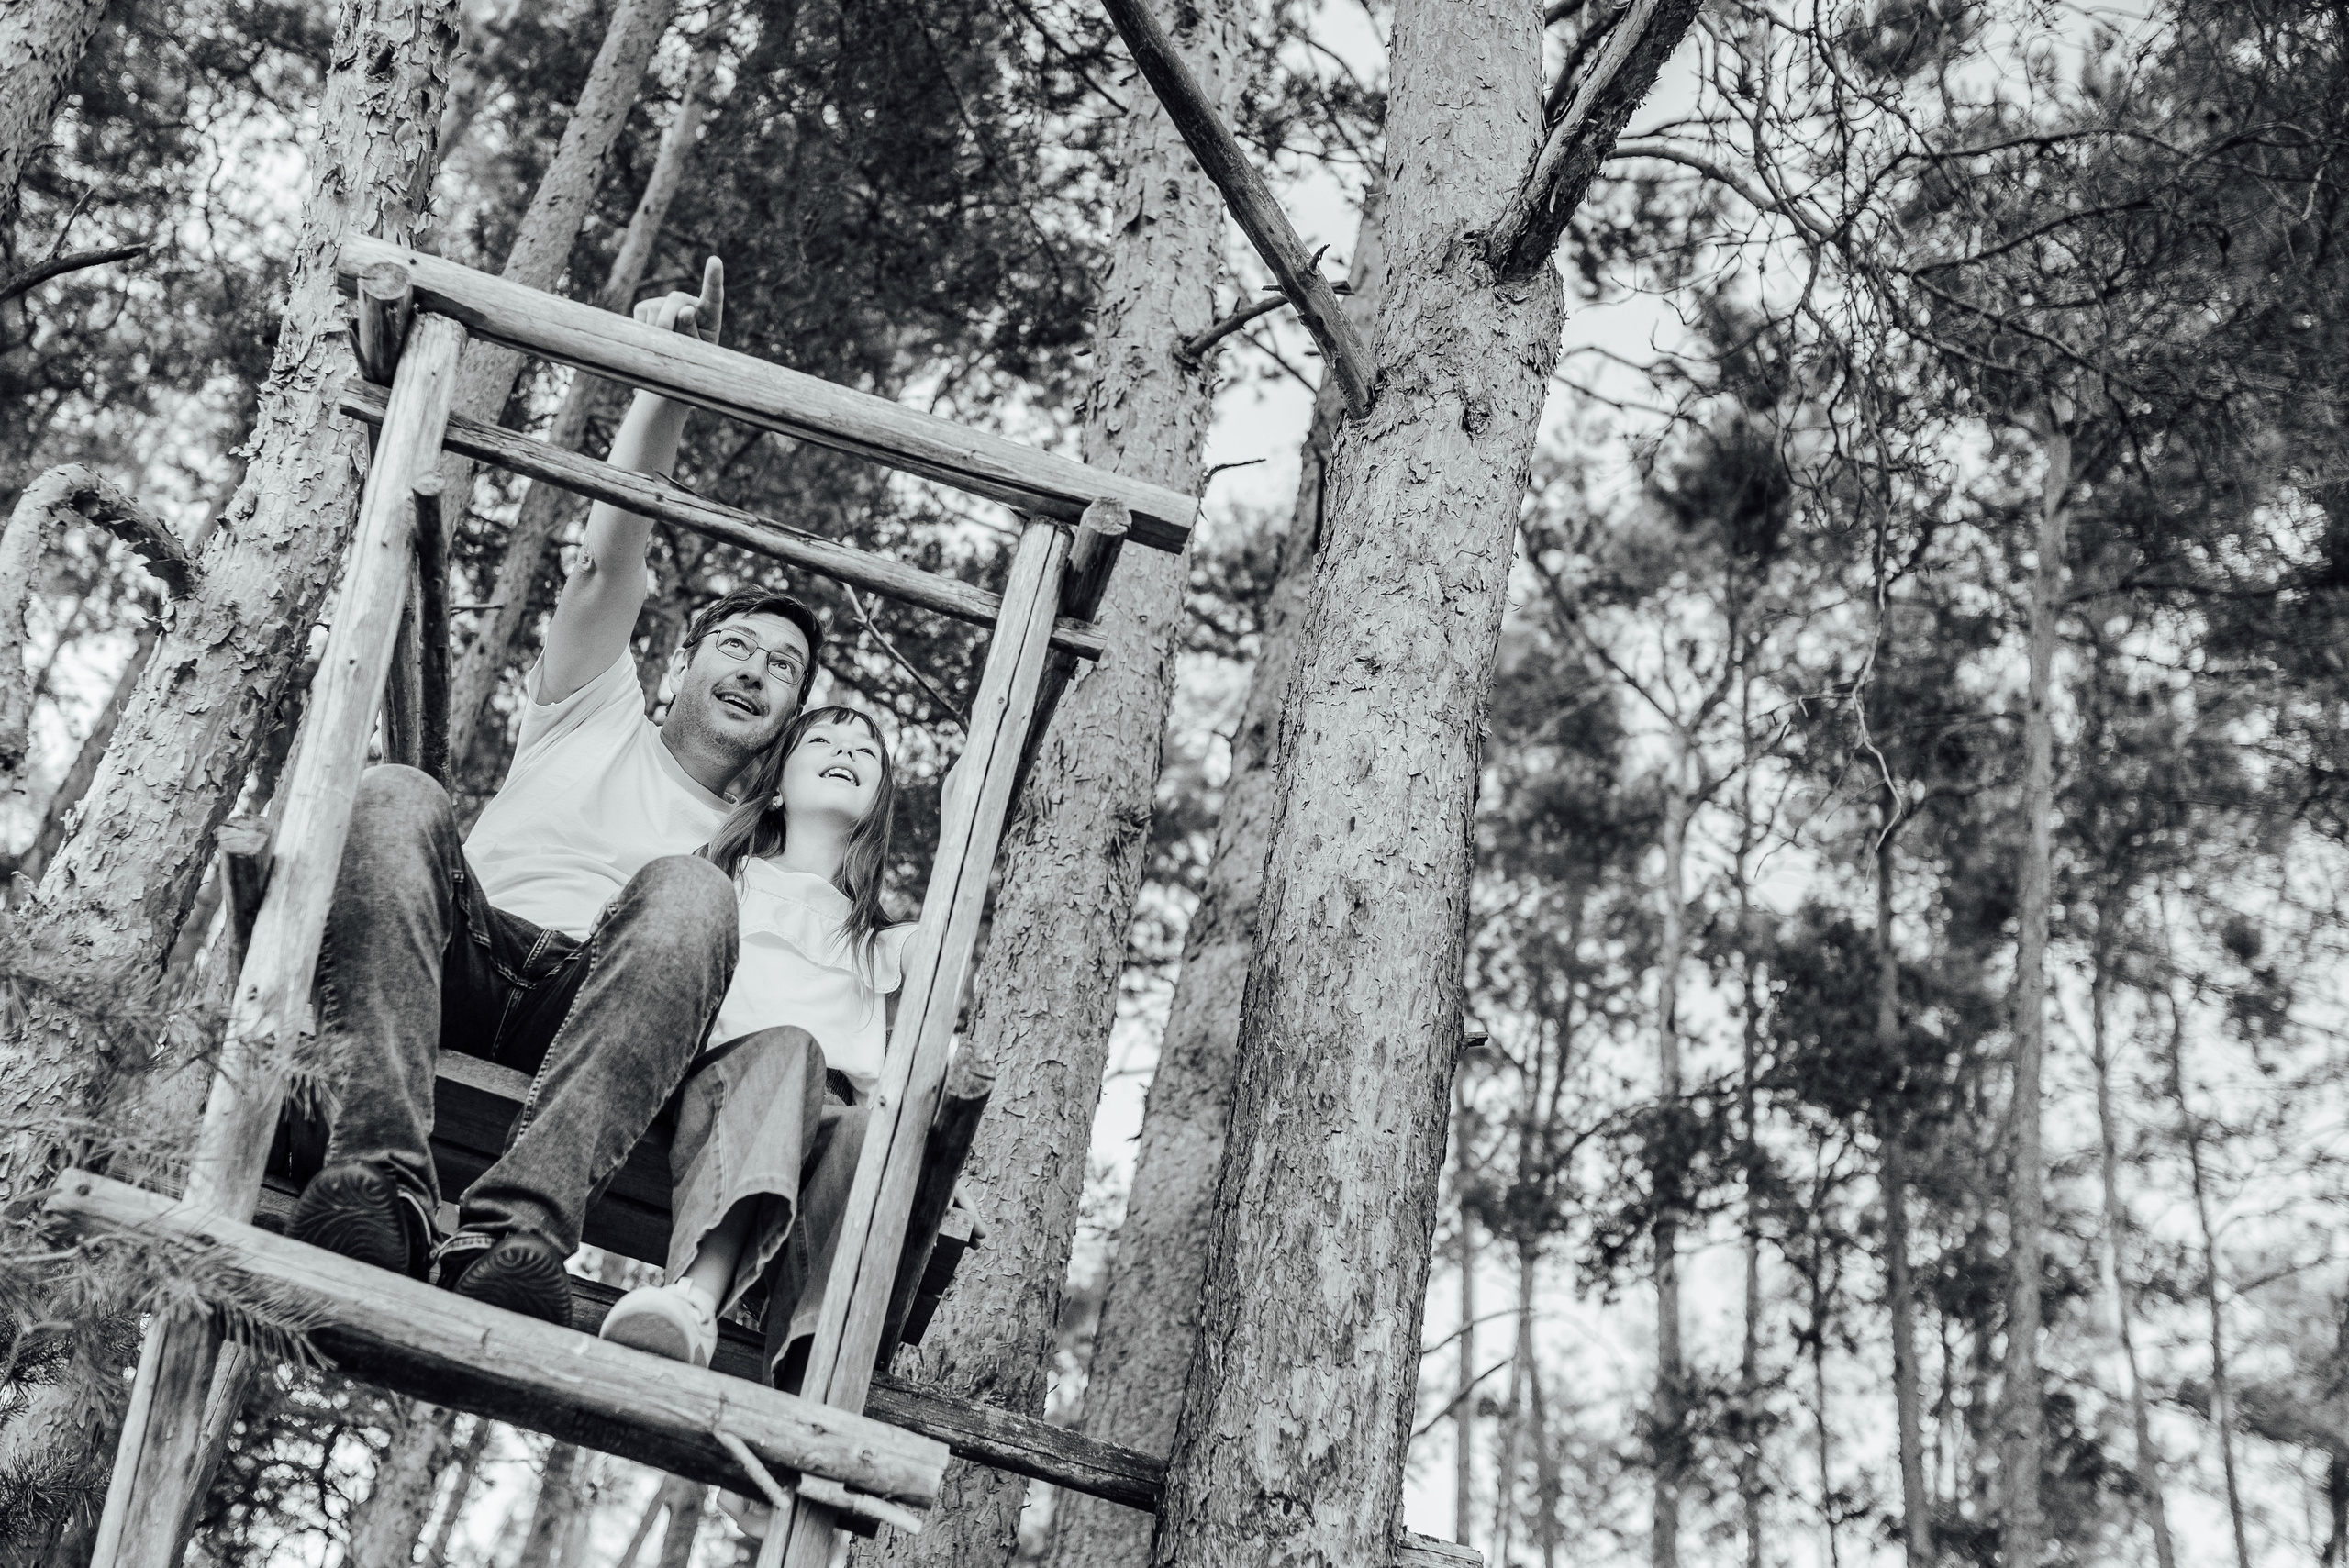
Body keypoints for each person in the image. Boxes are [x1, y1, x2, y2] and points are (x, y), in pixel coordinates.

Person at [290, 258, 826, 1328]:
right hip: (463, 952)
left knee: (688, 892)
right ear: (681, 661)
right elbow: (604, 559)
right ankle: (372, 1179)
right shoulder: (595, 703)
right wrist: (664, 387)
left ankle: (516, 1233)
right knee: (396, 791)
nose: (757, 667)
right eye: (737, 643)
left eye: (783, 668)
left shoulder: (751, 849)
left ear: (787, 720)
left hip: (600, 1009)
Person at [596, 705, 914, 1380]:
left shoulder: (878, 943)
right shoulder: (721, 877)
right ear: (775, 787)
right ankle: (695, 1298)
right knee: (791, 1049)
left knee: (869, 1136)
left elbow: (946, 955)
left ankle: (810, 1363)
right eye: (822, 739)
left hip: (822, 1115)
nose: (846, 750)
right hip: (715, 1085)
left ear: (880, 797)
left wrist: (930, 1151)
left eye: (867, 751)